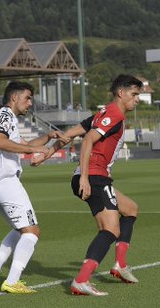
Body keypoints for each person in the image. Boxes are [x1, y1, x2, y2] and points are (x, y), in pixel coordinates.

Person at [35, 74, 144, 296]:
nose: (137, 99)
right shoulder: (113, 114)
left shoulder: (103, 114)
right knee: (111, 229)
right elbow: (87, 140)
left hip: (95, 177)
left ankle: (120, 265)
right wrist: (84, 177)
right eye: (134, 94)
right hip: (94, 177)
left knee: (130, 209)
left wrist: (46, 154)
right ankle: (81, 280)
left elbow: (69, 135)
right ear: (121, 93)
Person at [0, 81, 62, 294]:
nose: (30, 103)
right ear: (14, 98)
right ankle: (12, 280)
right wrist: (28, 150)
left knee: (20, 229)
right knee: (32, 231)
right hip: (5, 180)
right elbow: (1, 142)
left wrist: (48, 137)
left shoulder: (7, 119)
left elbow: (24, 142)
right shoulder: (5, 116)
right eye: (27, 98)